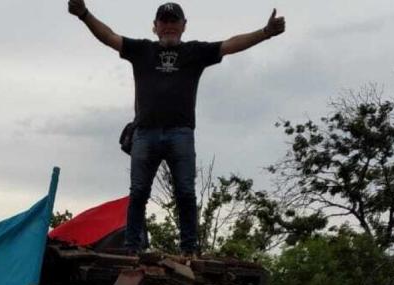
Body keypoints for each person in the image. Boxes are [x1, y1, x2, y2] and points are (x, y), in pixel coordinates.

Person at [67, 1, 285, 255]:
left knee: (185, 192)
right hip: (145, 132)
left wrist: (265, 33)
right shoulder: (141, 50)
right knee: (138, 193)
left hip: (180, 133)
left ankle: (189, 250)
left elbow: (230, 44)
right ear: (155, 27)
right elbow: (109, 37)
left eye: (174, 21)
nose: (169, 26)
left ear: (183, 26)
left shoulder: (195, 52)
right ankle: (131, 248)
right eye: (164, 21)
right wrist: (83, 14)